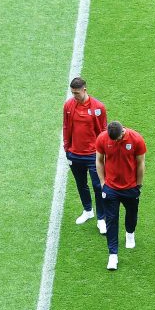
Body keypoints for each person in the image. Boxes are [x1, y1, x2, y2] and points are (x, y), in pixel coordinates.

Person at [95, 121, 146, 271]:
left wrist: (139, 184)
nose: (115, 142)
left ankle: (130, 233)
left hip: (130, 187)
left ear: (123, 132)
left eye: (117, 139)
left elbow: (141, 163)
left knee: (131, 214)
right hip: (111, 188)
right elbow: (99, 160)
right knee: (111, 220)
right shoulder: (103, 138)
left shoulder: (136, 139)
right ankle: (113, 255)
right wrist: (103, 182)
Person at [63, 77, 107, 232]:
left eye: (77, 93)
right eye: (73, 93)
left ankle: (101, 218)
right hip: (74, 154)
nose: (75, 96)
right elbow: (66, 127)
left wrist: (103, 152)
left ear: (84, 90)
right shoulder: (68, 105)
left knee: (98, 186)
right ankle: (88, 210)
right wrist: (67, 148)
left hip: (93, 155)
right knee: (81, 184)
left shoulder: (98, 107)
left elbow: (102, 131)